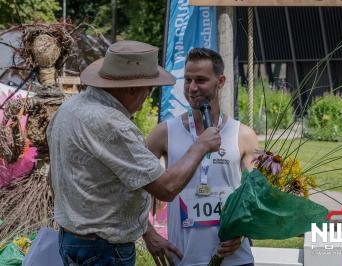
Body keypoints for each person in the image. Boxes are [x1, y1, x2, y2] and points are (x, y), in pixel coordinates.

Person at [46, 41, 221, 266]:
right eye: (147, 91)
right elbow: (166, 188)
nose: (145, 100)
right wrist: (201, 145)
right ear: (131, 88)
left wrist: (145, 231)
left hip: (72, 239)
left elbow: (54, 177)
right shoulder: (112, 124)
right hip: (104, 251)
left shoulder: (68, 109)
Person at [146, 48, 258, 266]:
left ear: (221, 81)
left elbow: (258, 198)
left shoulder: (243, 135)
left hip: (235, 258)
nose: (192, 88)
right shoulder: (164, 133)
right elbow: (133, 188)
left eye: (201, 80)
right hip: (184, 257)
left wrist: (243, 232)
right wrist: (149, 233)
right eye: (187, 80)